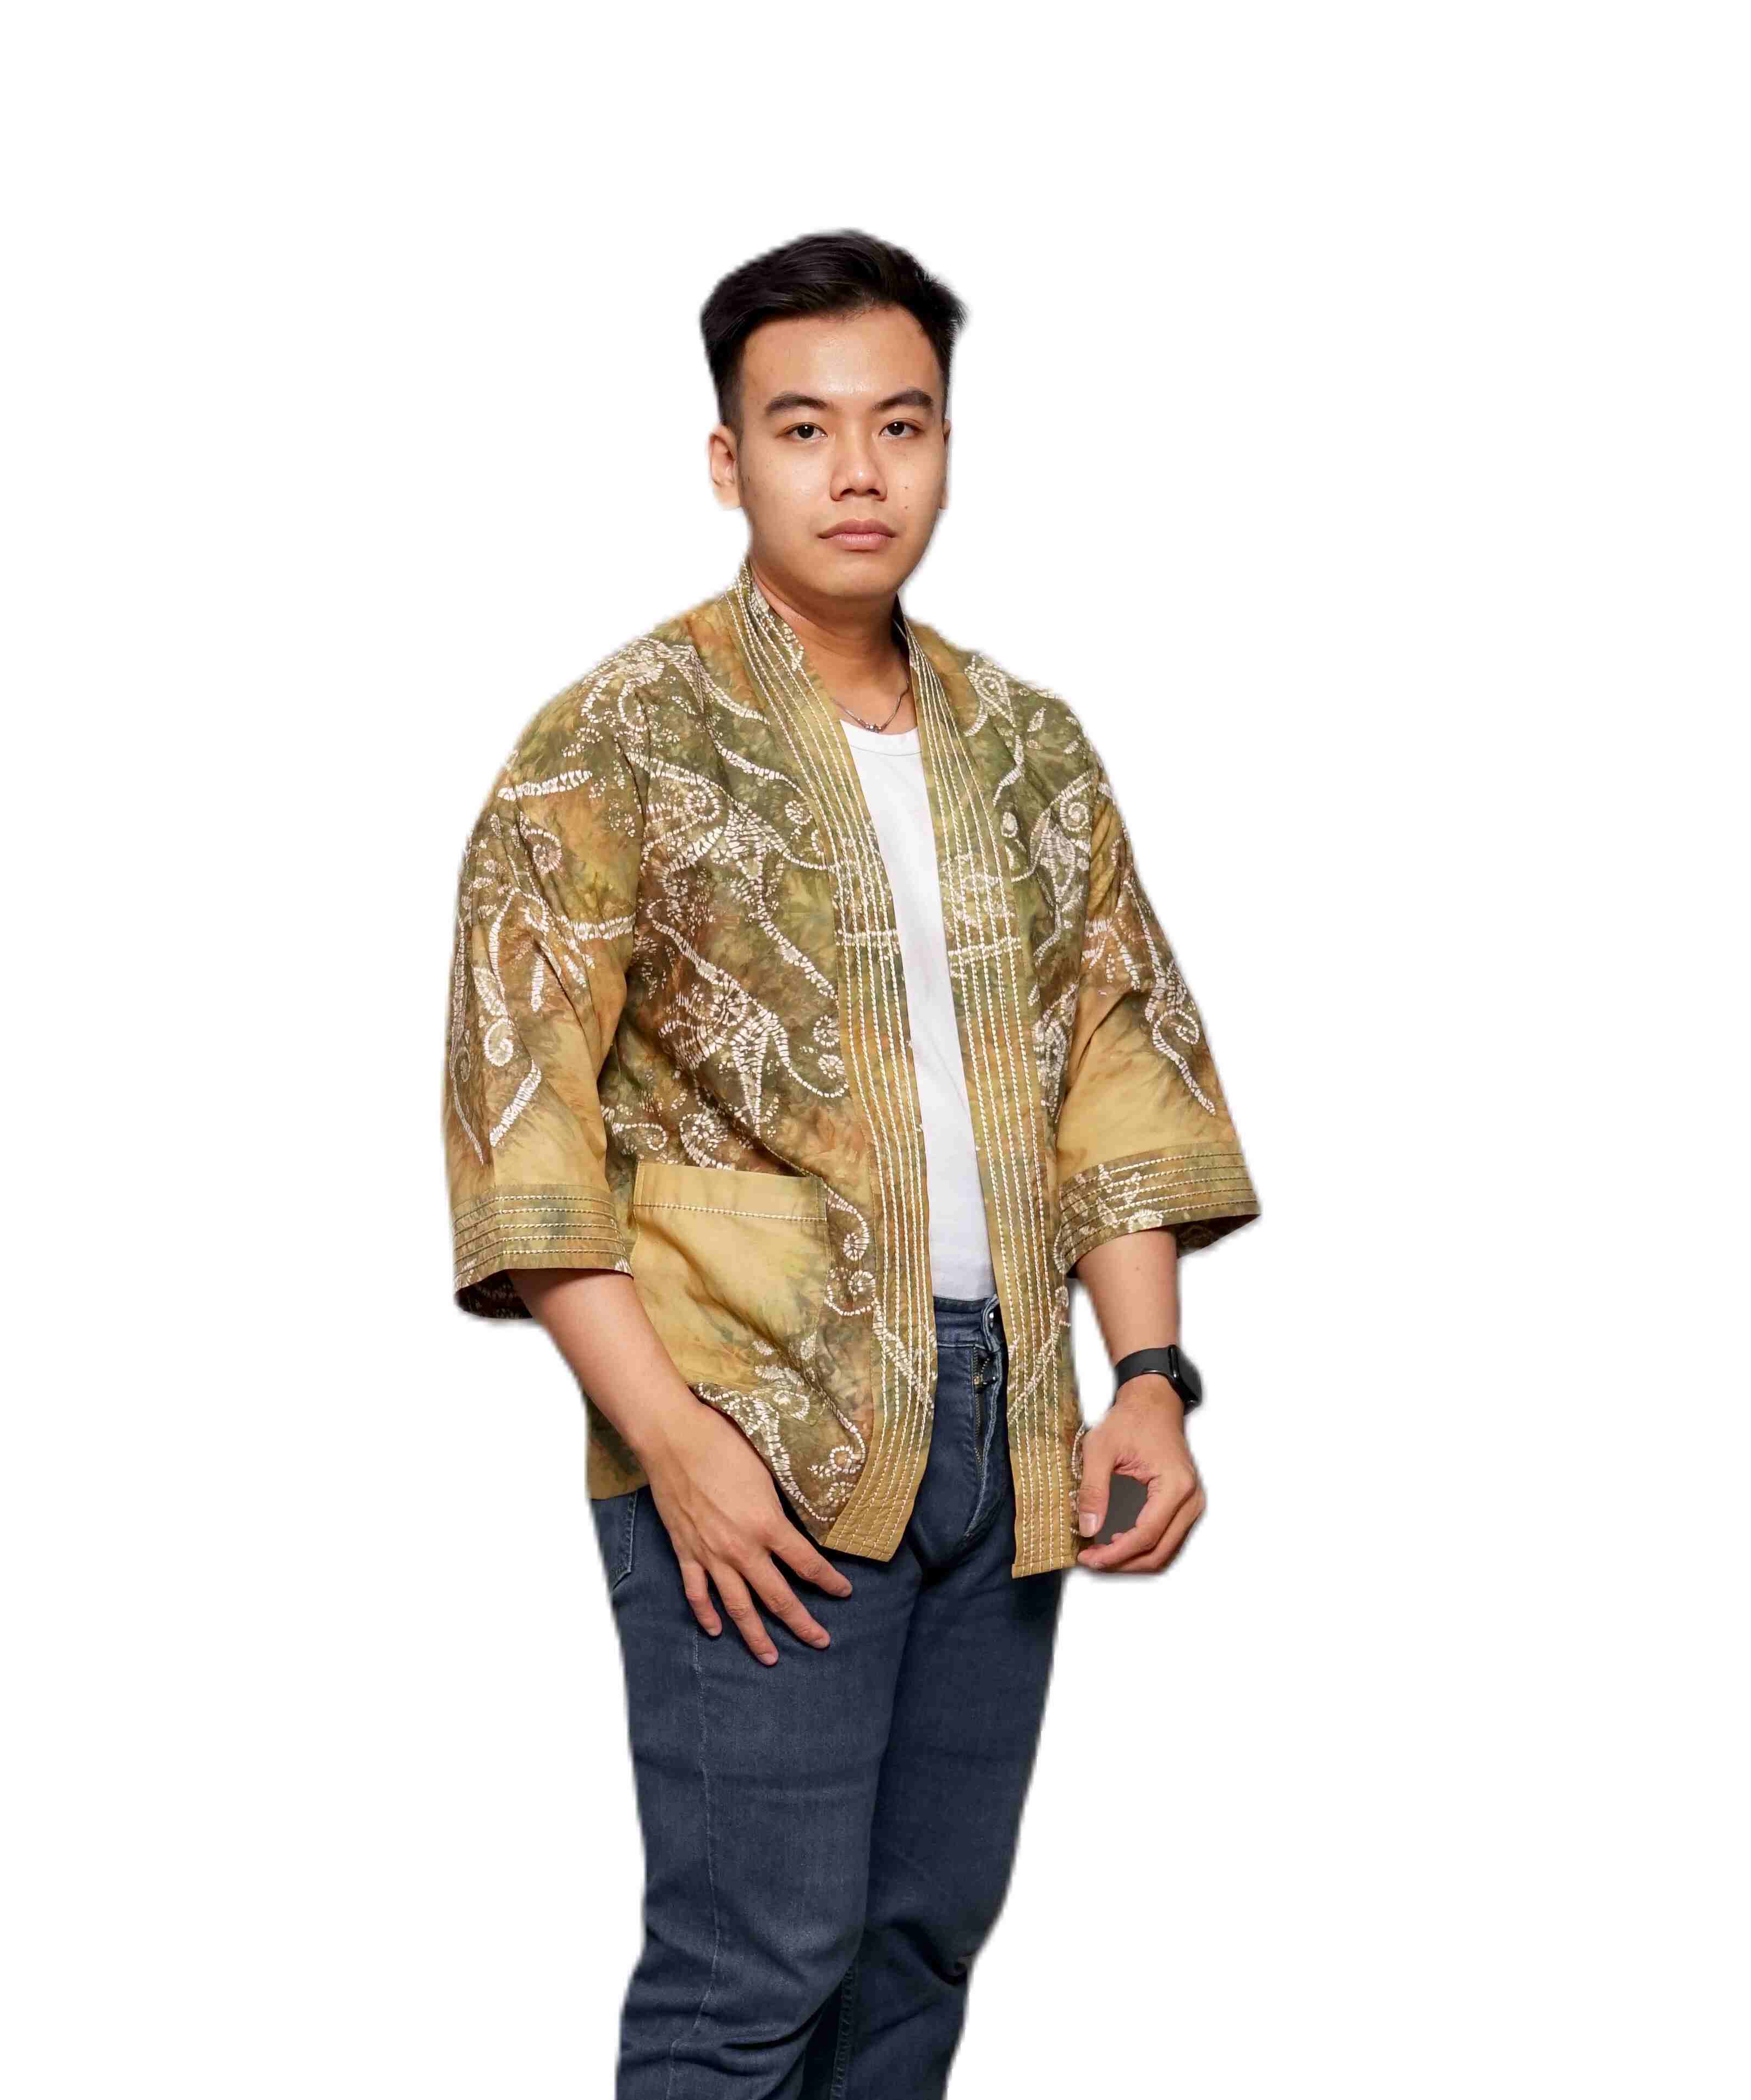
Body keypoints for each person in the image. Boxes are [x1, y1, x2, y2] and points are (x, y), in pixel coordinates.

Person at [441, 227, 1262, 2098]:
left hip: (1009, 1428)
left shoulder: (1029, 748)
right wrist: (670, 1439)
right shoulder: (615, 738)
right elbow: (519, 1118)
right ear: (726, 459)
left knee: (917, 1948)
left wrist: (1146, 1374)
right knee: (755, 1967)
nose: (858, 470)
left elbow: (1116, 1063)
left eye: (901, 423)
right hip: (745, 1416)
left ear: (948, 444)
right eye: (802, 428)